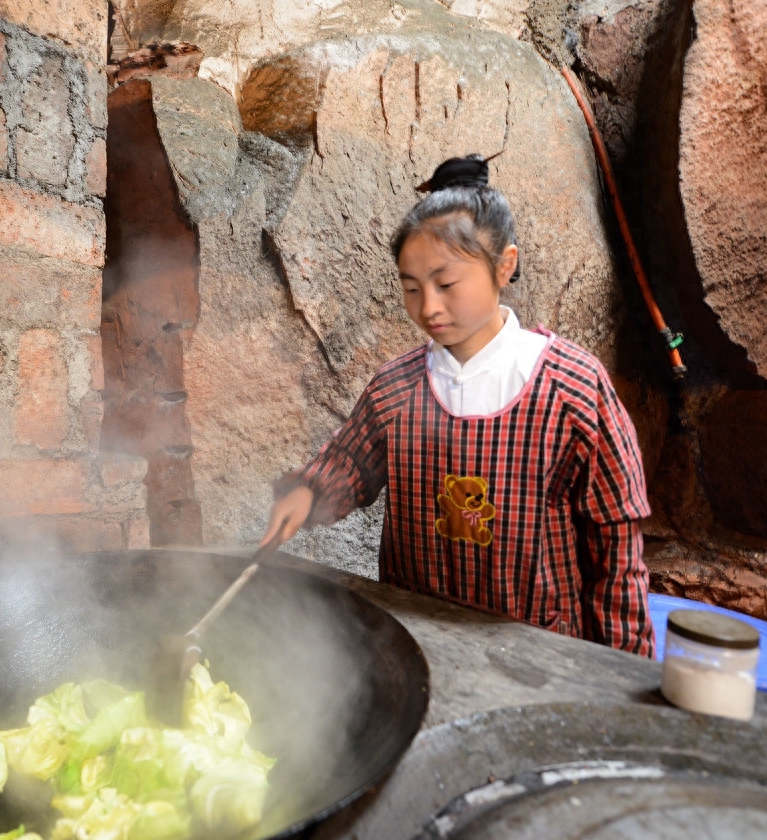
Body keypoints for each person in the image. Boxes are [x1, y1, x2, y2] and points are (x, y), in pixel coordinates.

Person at [261, 155, 655, 657]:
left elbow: (616, 551)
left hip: (541, 655)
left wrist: (622, 669)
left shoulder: (572, 389)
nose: (428, 307)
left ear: (504, 265)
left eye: (446, 284)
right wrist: (307, 495)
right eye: (411, 287)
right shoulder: (395, 389)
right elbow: (348, 465)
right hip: (416, 644)